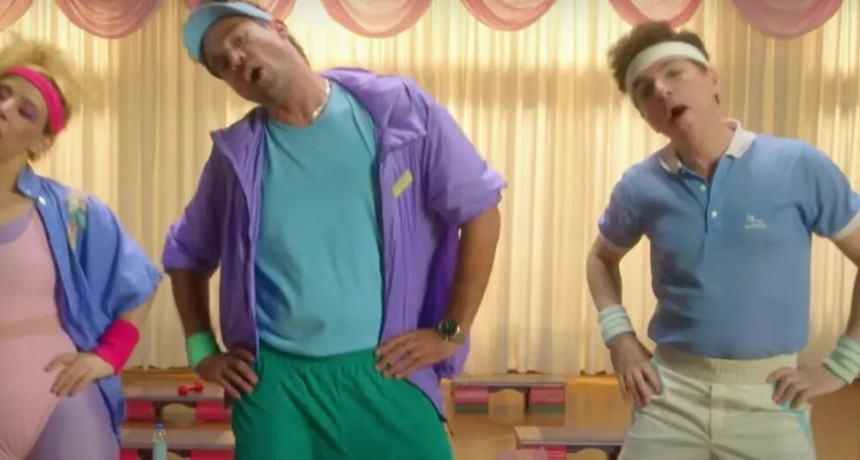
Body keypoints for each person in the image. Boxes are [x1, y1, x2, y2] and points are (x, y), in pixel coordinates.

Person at [163, 1, 505, 459]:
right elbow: (186, 255)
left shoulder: (400, 112)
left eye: (240, 40)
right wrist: (202, 349)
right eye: (222, 64)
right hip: (276, 385)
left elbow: (481, 212)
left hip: (387, 367)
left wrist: (450, 330)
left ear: (278, 29)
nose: (236, 59)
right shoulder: (235, 156)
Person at [586, 20, 860, 460]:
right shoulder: (640, 186)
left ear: (712, 80)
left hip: (771, 396)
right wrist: (619, 337)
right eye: (644, 90)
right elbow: (600, 258)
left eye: (674, 73)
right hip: (669, 393)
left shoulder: (799, 166)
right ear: (645, 116)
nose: (662, 90)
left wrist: (844, 364)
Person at [0, 36, 162, 460]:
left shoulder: (74, 211)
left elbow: (142, 285)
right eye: (2, 94)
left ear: (41, 142)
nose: (5, 108)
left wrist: (109, 355)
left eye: (26, 111)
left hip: (62, 406)